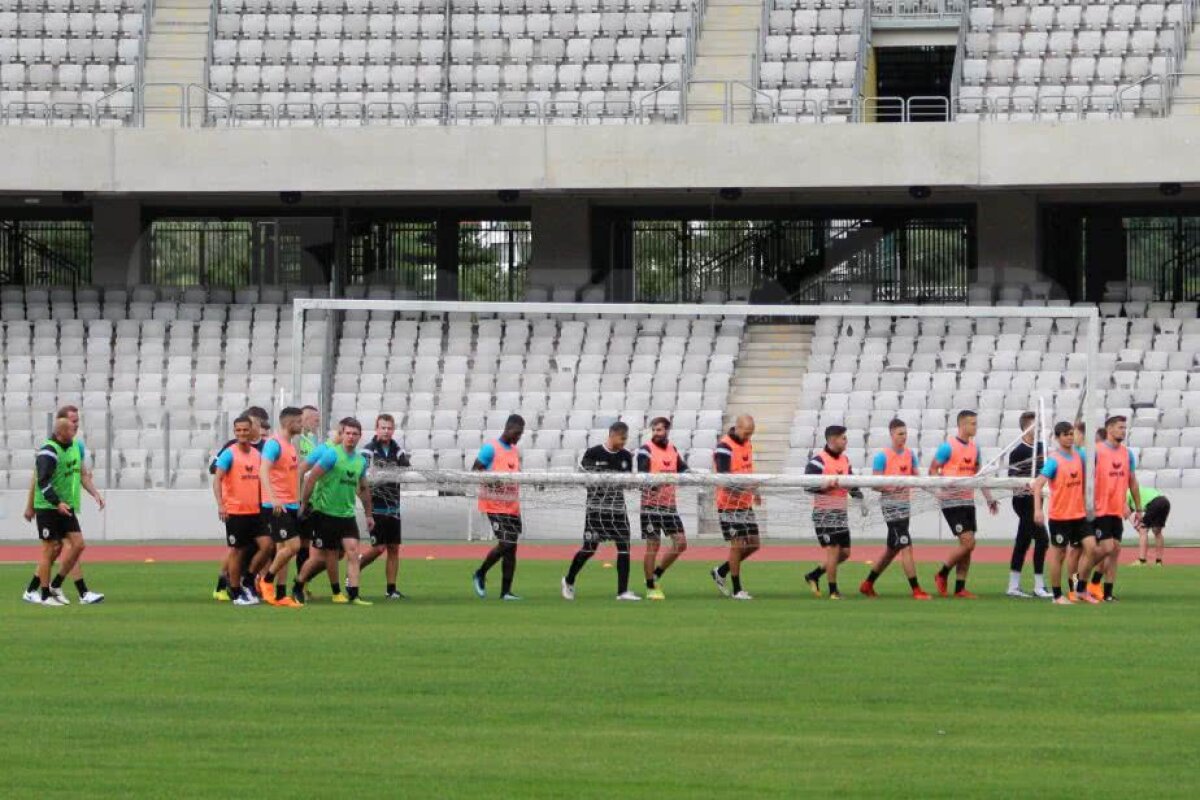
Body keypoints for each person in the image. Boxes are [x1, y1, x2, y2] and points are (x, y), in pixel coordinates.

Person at [21, 405, 105, 605]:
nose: (76, 425)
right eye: (72, 422)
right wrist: (30, 505)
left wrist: (95, 493)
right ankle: (73, 592)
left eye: (77, 421)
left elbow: (82, 474)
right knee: (57, 548)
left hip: (66, 506)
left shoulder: (77, 446)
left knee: (70, 547)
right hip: (51, 505)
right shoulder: (49, 450)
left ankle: (38, 588)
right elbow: (38, 479)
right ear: (61, 425)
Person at [294, 417, 374, 606]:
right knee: (322, 557)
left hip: (347, 514)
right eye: (348, 433)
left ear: (360, 436)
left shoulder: (361, 461)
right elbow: (311, 479)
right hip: (325, 513)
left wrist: (369, 514)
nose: (351, 437)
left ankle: (353, 594)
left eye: (355, 434)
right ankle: (299, 584)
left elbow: (363, 489)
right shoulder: (331, 455)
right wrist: (304, 504)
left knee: (352, 552)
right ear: (342, 434)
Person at [562, 421, 641, 601]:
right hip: (596, 510)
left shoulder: (626, 456)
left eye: (626, 439)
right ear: (612, 435)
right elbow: (583, 479)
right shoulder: (593, 453)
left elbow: (627, 483)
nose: (624, 442)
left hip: (618, 509)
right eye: (622, 438)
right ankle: (568, 580)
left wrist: (631, 481)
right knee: (589, 549)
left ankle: (622, 592)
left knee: (624, 548)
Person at [929, 410, 999, 598]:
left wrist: (989, 498)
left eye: (976, 423)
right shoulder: (948, 447)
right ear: (962, 425)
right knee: (968, 542)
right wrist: (939, 491)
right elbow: (933, 469)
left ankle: (960, 588)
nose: (975, 427)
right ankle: (942, 573)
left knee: (968, 546)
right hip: (952, 501)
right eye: (972, 423)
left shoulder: (975, 449)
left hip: (968, 500)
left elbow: (979, 475)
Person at [859, 418, 930, 600]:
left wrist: (935, 489)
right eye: (900, 433)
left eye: (905, 433)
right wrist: (892, 487)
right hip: (890, 506)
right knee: (906, 545)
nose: (903, 437)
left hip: (905, 506)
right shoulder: (882, 456)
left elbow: (917, 478)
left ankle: (867, 584)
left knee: (892, 549)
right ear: (891, 434)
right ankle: (916, 589)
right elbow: (875, 484)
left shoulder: (910, 455)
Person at [211, 406, 269, 601]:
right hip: (236, 511)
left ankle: (248, 579)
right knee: (237, 551)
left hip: (256, 511)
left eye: (245, 430)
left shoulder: (257, 455)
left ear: (252, 430)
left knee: (267, 546)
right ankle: (235, 592)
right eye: (238, 430)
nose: (242, 433)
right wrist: (221, 505)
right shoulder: (229, 453)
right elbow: (217, 480)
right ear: (235, 432)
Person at [1031, 421, 1093, 605]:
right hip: (1060, 517)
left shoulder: (1080, 456)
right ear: (1057, 438)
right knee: (1059, 555)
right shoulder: (1054, 460)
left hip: (1079, 515)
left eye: (1071, 434)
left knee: (1091, 548)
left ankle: (1080, 589)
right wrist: (1038, 510)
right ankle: (1057, 596)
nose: (1069, 437)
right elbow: (1037, 485)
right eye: (1065, 434)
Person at [802, 425, 862, 600]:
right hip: (824, 513)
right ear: (833, 440)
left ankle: (814, 575)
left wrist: (858, 495)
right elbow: (807, 486)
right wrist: (825, 485)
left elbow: (850, 482)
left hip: (841, 513)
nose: (846, 441)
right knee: (834, 550)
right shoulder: (817, 462)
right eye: (843, 438)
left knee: (845, 553)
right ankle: (833, 591)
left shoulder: (845, 460)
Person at [1086, 415, 1141, 602]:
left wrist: (1138, 508)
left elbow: (1132, 481)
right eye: (1120, 427)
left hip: (1116, 509)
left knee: (1115, 550)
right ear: (1109, 429)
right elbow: (1085, 480)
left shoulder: (1127, 453)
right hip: (1099, 509)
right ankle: (1080, 577)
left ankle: (1105, 591)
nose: (1123, 431)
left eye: (1125, 428)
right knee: (1106, 548)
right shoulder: (1096, 451)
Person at [471, 414, 525, 601]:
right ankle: (480, 572)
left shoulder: (515, 451)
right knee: (506, 543)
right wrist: (494, 482)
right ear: (508, 428)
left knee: (512, 548)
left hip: (512, 505)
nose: (518, 437)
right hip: (494, 505)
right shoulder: (490, 448)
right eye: (517, 433)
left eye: (521, 434)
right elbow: (475, 471)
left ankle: (506, 592)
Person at [358, 413, 411, 600]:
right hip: (376, 507)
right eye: (383, 428)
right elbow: (360, 475)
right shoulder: (368, 451)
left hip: (394, 507)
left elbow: (407, 470)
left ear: (393, 430)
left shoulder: (398, 451)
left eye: (389, 428)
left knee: (393, 548)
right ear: (376, 429)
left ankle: (391, 589)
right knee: (378, 548)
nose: (386, 431)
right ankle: (354, 568)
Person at [256, 407, 304, 608]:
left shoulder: (290, 445)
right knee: (294, 546)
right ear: (289, 423)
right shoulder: (273, 444)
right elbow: (263, 471)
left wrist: (298, 501)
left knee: (285, 550)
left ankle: (281, 594)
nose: (302, 425)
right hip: (277, 505)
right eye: (299, 421)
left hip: (290, 504)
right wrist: (274, 499)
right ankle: (266, 580)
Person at [637, 417, 689, 601]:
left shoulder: (672, 449)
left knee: (681, 543)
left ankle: (656, 573)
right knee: (653, 545)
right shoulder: (645, 450)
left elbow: (683, 469)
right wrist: (657, 484)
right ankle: (650, 586)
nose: (656, 433)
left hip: (669, 506)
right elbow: (642, 478)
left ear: (667, 430)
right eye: (654, 430)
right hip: (650, 506)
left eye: (659, 430)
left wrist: (693, 475)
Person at [710, 415, 759, 601]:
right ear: (737, 428)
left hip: (745, 503)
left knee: (754, 544)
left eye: (751, 434)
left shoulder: (747, 444)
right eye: (746, 433)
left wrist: (755, 491)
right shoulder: (724, 447)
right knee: (737, 545)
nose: (748, 437)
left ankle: (721, 571)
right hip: (728, 504)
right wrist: (745, 489)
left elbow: (748, 469)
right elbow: (724, 479)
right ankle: (738, 589)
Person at [1006, 411, 1051, 599]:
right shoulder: (1017, 452)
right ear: (1026, 427)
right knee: (1042, 539)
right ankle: (1039, 586)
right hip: (1023, 502)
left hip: (1038, 500)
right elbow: (1012, 479)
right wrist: (1029, 485)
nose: (1039, 428)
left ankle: (1013, 585)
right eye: (1035, 424)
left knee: (1023, 541)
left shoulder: (1042, 448)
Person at [1132, 487, 1169, 566]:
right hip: (1165, 501)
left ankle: (1142, 561)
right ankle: (1159, 562)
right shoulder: (1140, 489)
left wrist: (1135, 525)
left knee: (1143, 530)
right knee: (1157, 531)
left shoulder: (1127, 493)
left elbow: (1127, 512)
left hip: (1154, 503)